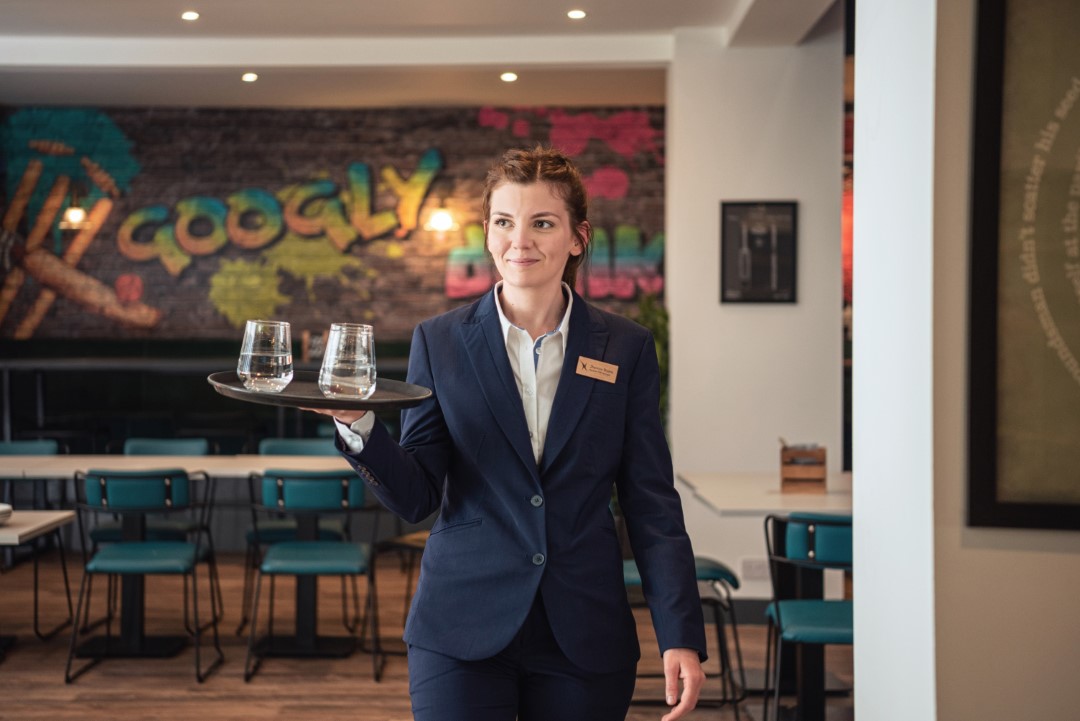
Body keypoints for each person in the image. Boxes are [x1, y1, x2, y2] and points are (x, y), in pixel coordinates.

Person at [311, 146, 706, 721]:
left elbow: (651, 502)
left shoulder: (626, 348)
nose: (519, 241)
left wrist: (680, 633)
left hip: (584, 631)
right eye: (504, 222)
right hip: (461, 623)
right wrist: (358, 427)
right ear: (488, 233)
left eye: (542, 222)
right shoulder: (439, 342)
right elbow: (419, 495)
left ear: (577, 238)